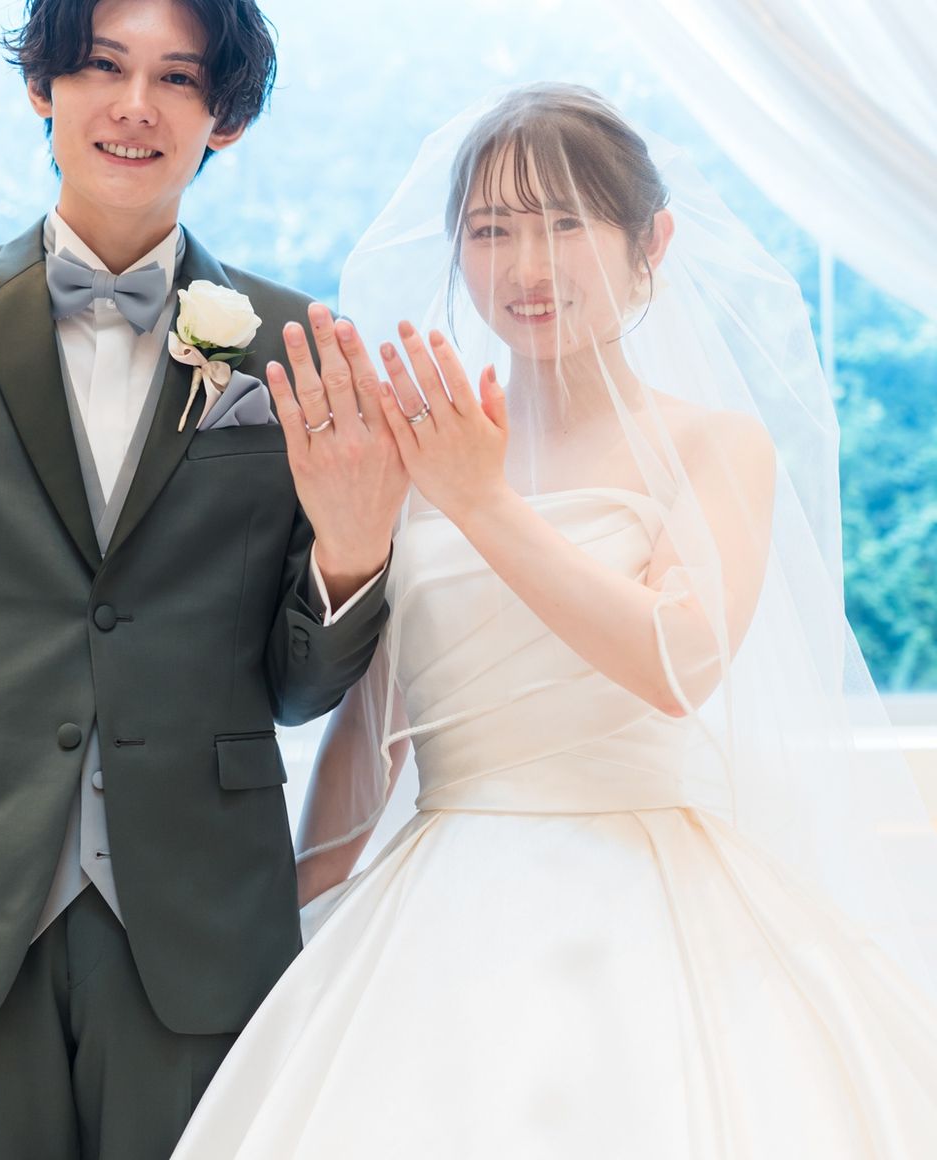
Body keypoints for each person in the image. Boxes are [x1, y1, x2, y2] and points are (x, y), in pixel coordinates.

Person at [169, 84, 937, 1158]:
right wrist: (294, 925)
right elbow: (370, 731)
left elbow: (678, 661)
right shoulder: (422, 456)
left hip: (655, 901)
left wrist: (482, 502)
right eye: (490, 231)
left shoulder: (714, 447)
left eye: (564, 223)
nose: (526, 266)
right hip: (436, 912)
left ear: (650, 243)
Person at [0, 1, 406, 1156]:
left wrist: (351, 553)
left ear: (225, 115)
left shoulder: (294, 348)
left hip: (203, 937)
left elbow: (295, 688)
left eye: (177, 78)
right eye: (102, 66)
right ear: (42, 86)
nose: (134, 106)